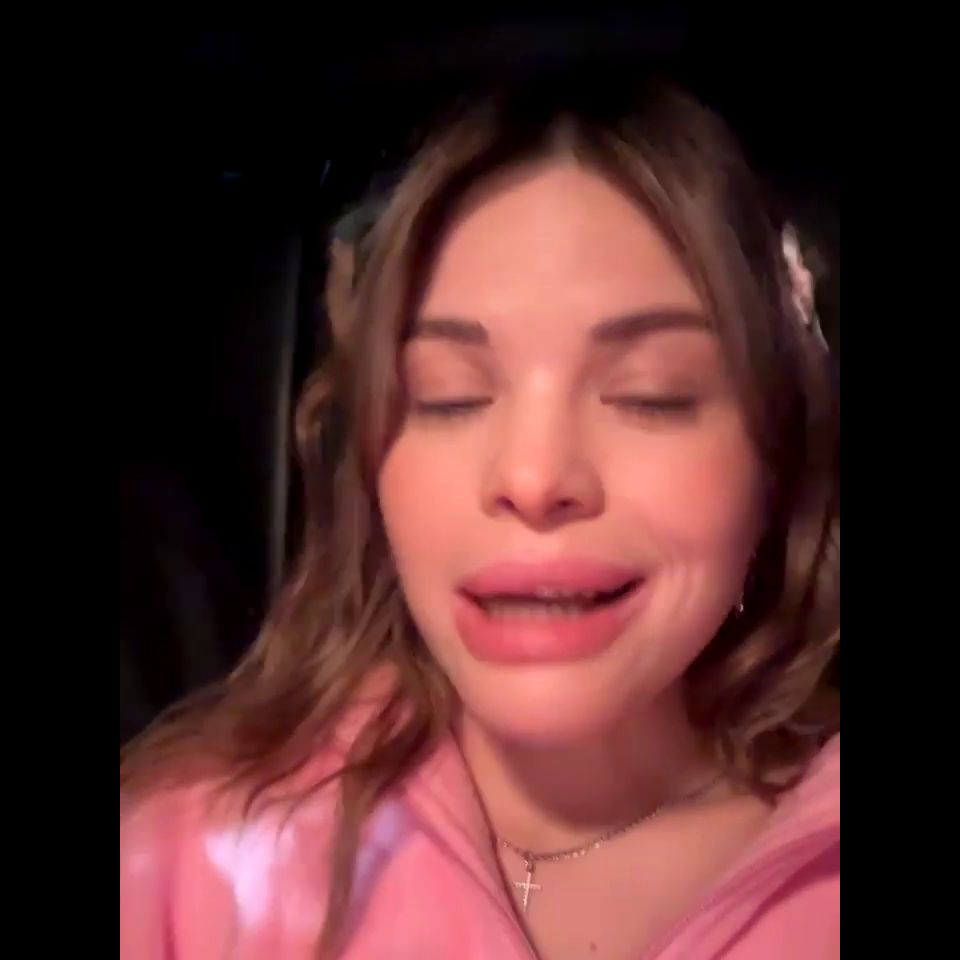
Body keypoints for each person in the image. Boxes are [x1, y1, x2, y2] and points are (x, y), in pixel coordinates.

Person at [120, 79, 839, 960]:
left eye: (650, 394)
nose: (532, 479)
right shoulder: (182, 863)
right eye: (448, 396)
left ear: (774, 458)